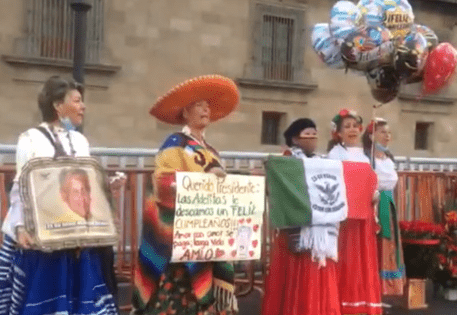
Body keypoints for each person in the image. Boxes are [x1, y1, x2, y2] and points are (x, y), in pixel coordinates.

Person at [0, 76, 124, 314]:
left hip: (76, 237)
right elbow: (20, 189)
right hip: (43, 240)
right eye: (77, 101)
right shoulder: (31, 139)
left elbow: (83, 184)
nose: (83, 106)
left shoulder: (80, 141)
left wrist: (107, 190)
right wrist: (20, 228)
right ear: (58, 106)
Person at [132, 75, 240, 314]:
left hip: (205, 233)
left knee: (205, 295)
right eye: (199, 105)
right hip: (177, 234)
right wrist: (190, 187)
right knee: (177, 296)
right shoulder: (175, 143)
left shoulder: (212, 150)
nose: (206, 109)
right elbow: (162, 181)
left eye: (208, 105)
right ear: (185, 112)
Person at [262, 118, 342, 315]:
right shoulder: (287, 160)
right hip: (295, 229)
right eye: (307, 134)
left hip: (320, 230)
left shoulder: (323, 162)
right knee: (295, 276)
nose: (312, 138)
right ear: (295, 139)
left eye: (315, 134)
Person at [328, 109, 382, 315]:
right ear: (339, 133)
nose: (352, 130)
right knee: (347, 259)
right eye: (347, 127)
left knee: (364, 260)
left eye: (354, 126)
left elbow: (372, 181)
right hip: (346, 217)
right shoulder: (335, 155)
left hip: (365, 215)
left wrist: (374, 192)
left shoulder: (366, 155)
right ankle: (344, 301)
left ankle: (363, 302)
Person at [362, 118, 405, 296]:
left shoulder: (389, 159)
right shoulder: (367, 159)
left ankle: (387, 286)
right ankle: (371, 286)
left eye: (388, 133)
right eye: (382, 132)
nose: (387, 136)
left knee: (389, 244)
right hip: (373, 204)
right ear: (371, 136)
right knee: (374, 243)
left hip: (388, 204)